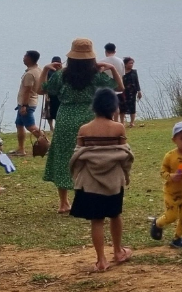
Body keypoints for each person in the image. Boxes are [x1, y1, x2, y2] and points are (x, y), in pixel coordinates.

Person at [41, 39, 124, 214]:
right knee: (88, 157)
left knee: (64, 157)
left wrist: (46, 69)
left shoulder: (61, 75)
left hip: (65, 119)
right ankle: (87, 195)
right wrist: (113, 69)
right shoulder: (96, 76)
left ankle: (64, 203)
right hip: (89, 118)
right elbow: (120, 87)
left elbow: (41, 90)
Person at [69, 89, 133, 272]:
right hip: (113, 181)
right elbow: (125, 155)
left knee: (96, 221)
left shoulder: (84, 129)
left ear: (94, 106)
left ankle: (101, 260)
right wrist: (125, 175)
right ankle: (118, 252)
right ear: (113, 107)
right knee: (115, 215)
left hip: (90, 182)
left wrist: (78, 178)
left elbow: (78, 157)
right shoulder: (118, 128)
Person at [12, 50, 45, 156]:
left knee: (31, 127)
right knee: (19, 124)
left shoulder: (30, 74)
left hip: (27, 104)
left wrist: (24, 106)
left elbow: (27, 90)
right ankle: (21, 149)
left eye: (25, 56)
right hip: (26, 103)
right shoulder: (39, 70)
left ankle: (47, 145)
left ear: (30, 58)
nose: (23, 58)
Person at [99, 44, 126, 122]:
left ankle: (107, 120)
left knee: (105, 106)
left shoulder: (102, 61)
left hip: (104, 87)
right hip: (118, 86)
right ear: (115, 51)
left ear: (105, 51)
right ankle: (116, 121)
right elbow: (122, 75)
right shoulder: (120, 61)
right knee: (116, 106)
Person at [121, 57, 141, 128]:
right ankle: (122, 122)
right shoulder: (121, 72)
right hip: (123, 92)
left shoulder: (134, 72)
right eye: (130, 63)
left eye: (132, 63)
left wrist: (139, 91)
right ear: (125, 64)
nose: (131, 65)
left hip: (132, 92)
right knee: (122, 107)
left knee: (133, 107)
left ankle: (132, 122)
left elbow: (137, 82)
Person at [44, 56, 62, 132]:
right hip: (52, 95)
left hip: (56, 96)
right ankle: (52, 127)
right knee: (50, 112)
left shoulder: (61, 72)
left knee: (53, 112)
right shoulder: (50, 72)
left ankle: (54, 127)